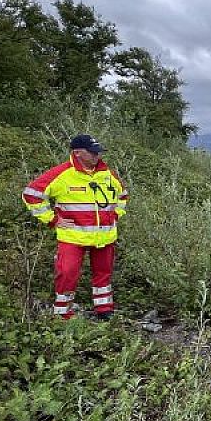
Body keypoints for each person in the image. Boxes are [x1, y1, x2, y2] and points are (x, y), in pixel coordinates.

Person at [22, 134, 128, 321]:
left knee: (104, 275)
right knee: (67, 274)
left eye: (98, 152)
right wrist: (52, 220)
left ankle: (104, 310)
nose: (97, 156)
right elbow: (31, 194)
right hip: (72, 237)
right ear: (77, 153)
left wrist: (116, 214)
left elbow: (123, 195)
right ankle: (63, 313)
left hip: (105, 237)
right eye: (93, 153)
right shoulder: (62, 173)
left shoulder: (107, 173)